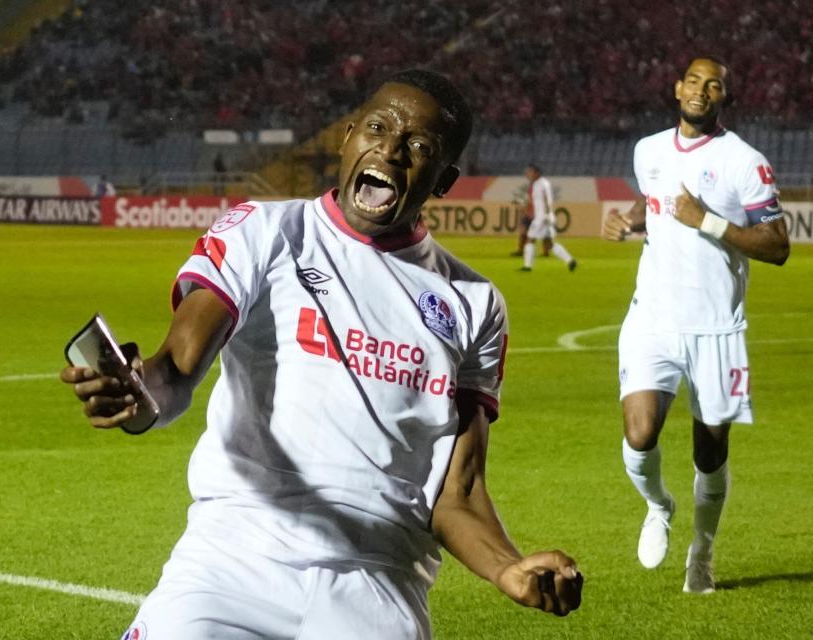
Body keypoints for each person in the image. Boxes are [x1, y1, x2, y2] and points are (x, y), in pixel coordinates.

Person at [62, 70, 583, 639]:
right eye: (379, 128)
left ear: (444, 179)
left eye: (419, 146)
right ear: (349, 136)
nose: (390, 149)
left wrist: (508, 567)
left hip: (380, 583)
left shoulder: (474, 304)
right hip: (234, 560)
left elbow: (455, 492)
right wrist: (135, 398)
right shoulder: (265, 232)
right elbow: (174, 371)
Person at [603, 57, 790, 594]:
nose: (701, 90)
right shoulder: (648, 150)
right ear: (676, 87)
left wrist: (705, 219)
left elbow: (778, 246)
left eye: (714, 85)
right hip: (652, 319)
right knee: (639, 435)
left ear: (723, 97)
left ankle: (701, 556)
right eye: (693, 80)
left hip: (717, 331)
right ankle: (659, 506)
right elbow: (656, 201)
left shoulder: (745, 162)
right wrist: (629, 218)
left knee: (710, 452)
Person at [520, 164, 577, 272]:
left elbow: (547, 200)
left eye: (530, 172)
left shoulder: (542, 184)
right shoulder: (537, 184)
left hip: (542, 217)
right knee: (549, 243)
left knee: (530, 239)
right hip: (544, 216)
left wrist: (546, 215)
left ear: (537, 173)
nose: (528, 174)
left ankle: (527, 266)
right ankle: (570, 261)